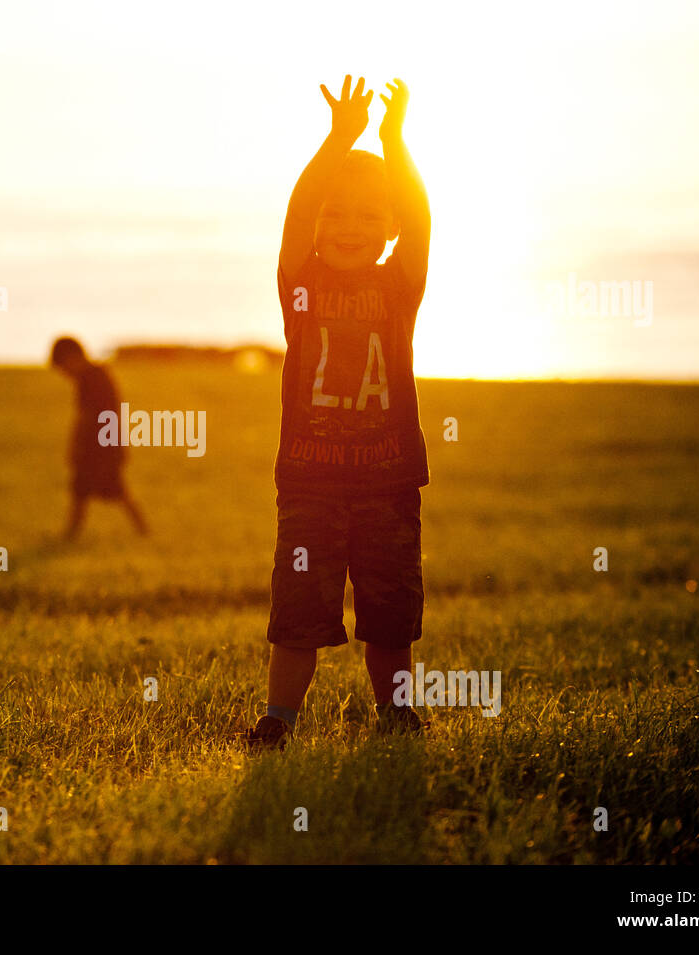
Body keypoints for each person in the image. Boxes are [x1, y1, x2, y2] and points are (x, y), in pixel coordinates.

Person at [248, 76, 431, 749]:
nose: (351, 228)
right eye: (337, 216)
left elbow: (420, 217)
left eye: (367, 217)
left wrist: (393, 141)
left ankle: (397, 714)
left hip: (388, 485)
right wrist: (338, 140)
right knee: (298, 616)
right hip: (310, 486)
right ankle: (279, 720)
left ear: (388, 230)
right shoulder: (301, 285)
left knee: (391, 619)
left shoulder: (399, 285)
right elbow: (298, 213)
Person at [50, 337, 149, 540]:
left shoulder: (91, 379)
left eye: (63, 368)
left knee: (114, 489)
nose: (65, 374)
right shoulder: (95, 375)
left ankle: (143, 529)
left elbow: (88, 416)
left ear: (72, 358)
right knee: (82, 490)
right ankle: (73, 532)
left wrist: (77, 443)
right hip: (105, 444)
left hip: (99, 446)